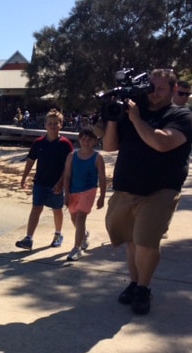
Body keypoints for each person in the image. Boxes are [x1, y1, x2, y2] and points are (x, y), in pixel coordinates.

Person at [102, 69, 192, 315]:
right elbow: (109, 146)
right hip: (127, 185)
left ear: (174, 90)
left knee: (146, 241)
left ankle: (144, 288)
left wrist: (136, 119)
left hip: (161, 189)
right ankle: (134, 282)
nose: (154, 94)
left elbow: (161, 143)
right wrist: (113, 116)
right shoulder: (134, 111)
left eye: (161, 89)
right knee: (131, 240)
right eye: (151, 88)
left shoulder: (181, 115)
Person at [15, 108, 74, 250]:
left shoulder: (65, 144)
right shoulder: (38, 143)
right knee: (36, 208)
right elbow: (30, 161)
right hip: (40, 182)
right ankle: (28, 238)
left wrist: (61, 184)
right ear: (45, 125)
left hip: (56, 184)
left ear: (61, 125)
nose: (53, 126)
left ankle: (58, 234)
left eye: (56, 123)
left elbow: (69, 167)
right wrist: (24, 178)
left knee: (57, 209)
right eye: (50, 123)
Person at [62, 128, 106, 261]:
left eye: (89, 139)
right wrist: (66, 193)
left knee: (81, 217)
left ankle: (76, 248)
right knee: (74, 218)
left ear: (94, 141)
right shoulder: (71, 156)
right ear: (79, 140)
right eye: (83, 139)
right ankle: (84, 235)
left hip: (89, 191)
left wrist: (102, 197)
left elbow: (103, 178)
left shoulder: (98, 157)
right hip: (73, 190)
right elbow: (67, 176)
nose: (86, 142)